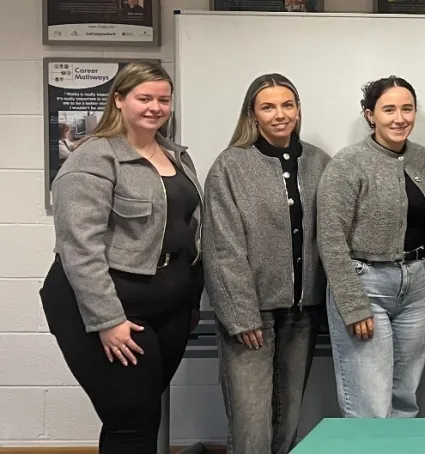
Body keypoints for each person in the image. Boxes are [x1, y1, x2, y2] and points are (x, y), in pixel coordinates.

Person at [38, 61, 203, 453]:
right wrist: (107, 320)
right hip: (108, 309)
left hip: (169, 308)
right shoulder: (95, 157)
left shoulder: (175, 155)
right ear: (119, 100)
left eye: (164, 99)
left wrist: (190, 299)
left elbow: (187, 231)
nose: (155, 107)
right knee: (131, 421)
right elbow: (79, 247)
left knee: (139, 414)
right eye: (144, 98)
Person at [203, 73, 331, 453]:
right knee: (251, 420)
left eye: (287, 105)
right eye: (268, 106)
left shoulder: (320, 163)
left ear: (298, 110)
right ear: (252, 114)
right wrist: (240, 315)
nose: (280, 114)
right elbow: (222, 247)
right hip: (251, 314)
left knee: (289, 415)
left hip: (302, 312)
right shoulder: (230, 166)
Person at [317, 76, 425, 418]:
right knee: (370, 403)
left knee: (405, 397)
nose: (400, 118)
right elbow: (330, 238)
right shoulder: (348, 163)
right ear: (370, 115)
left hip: (415, 287)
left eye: (407, 108)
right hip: (366, 285)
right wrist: (354, 306)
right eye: (389, 109)